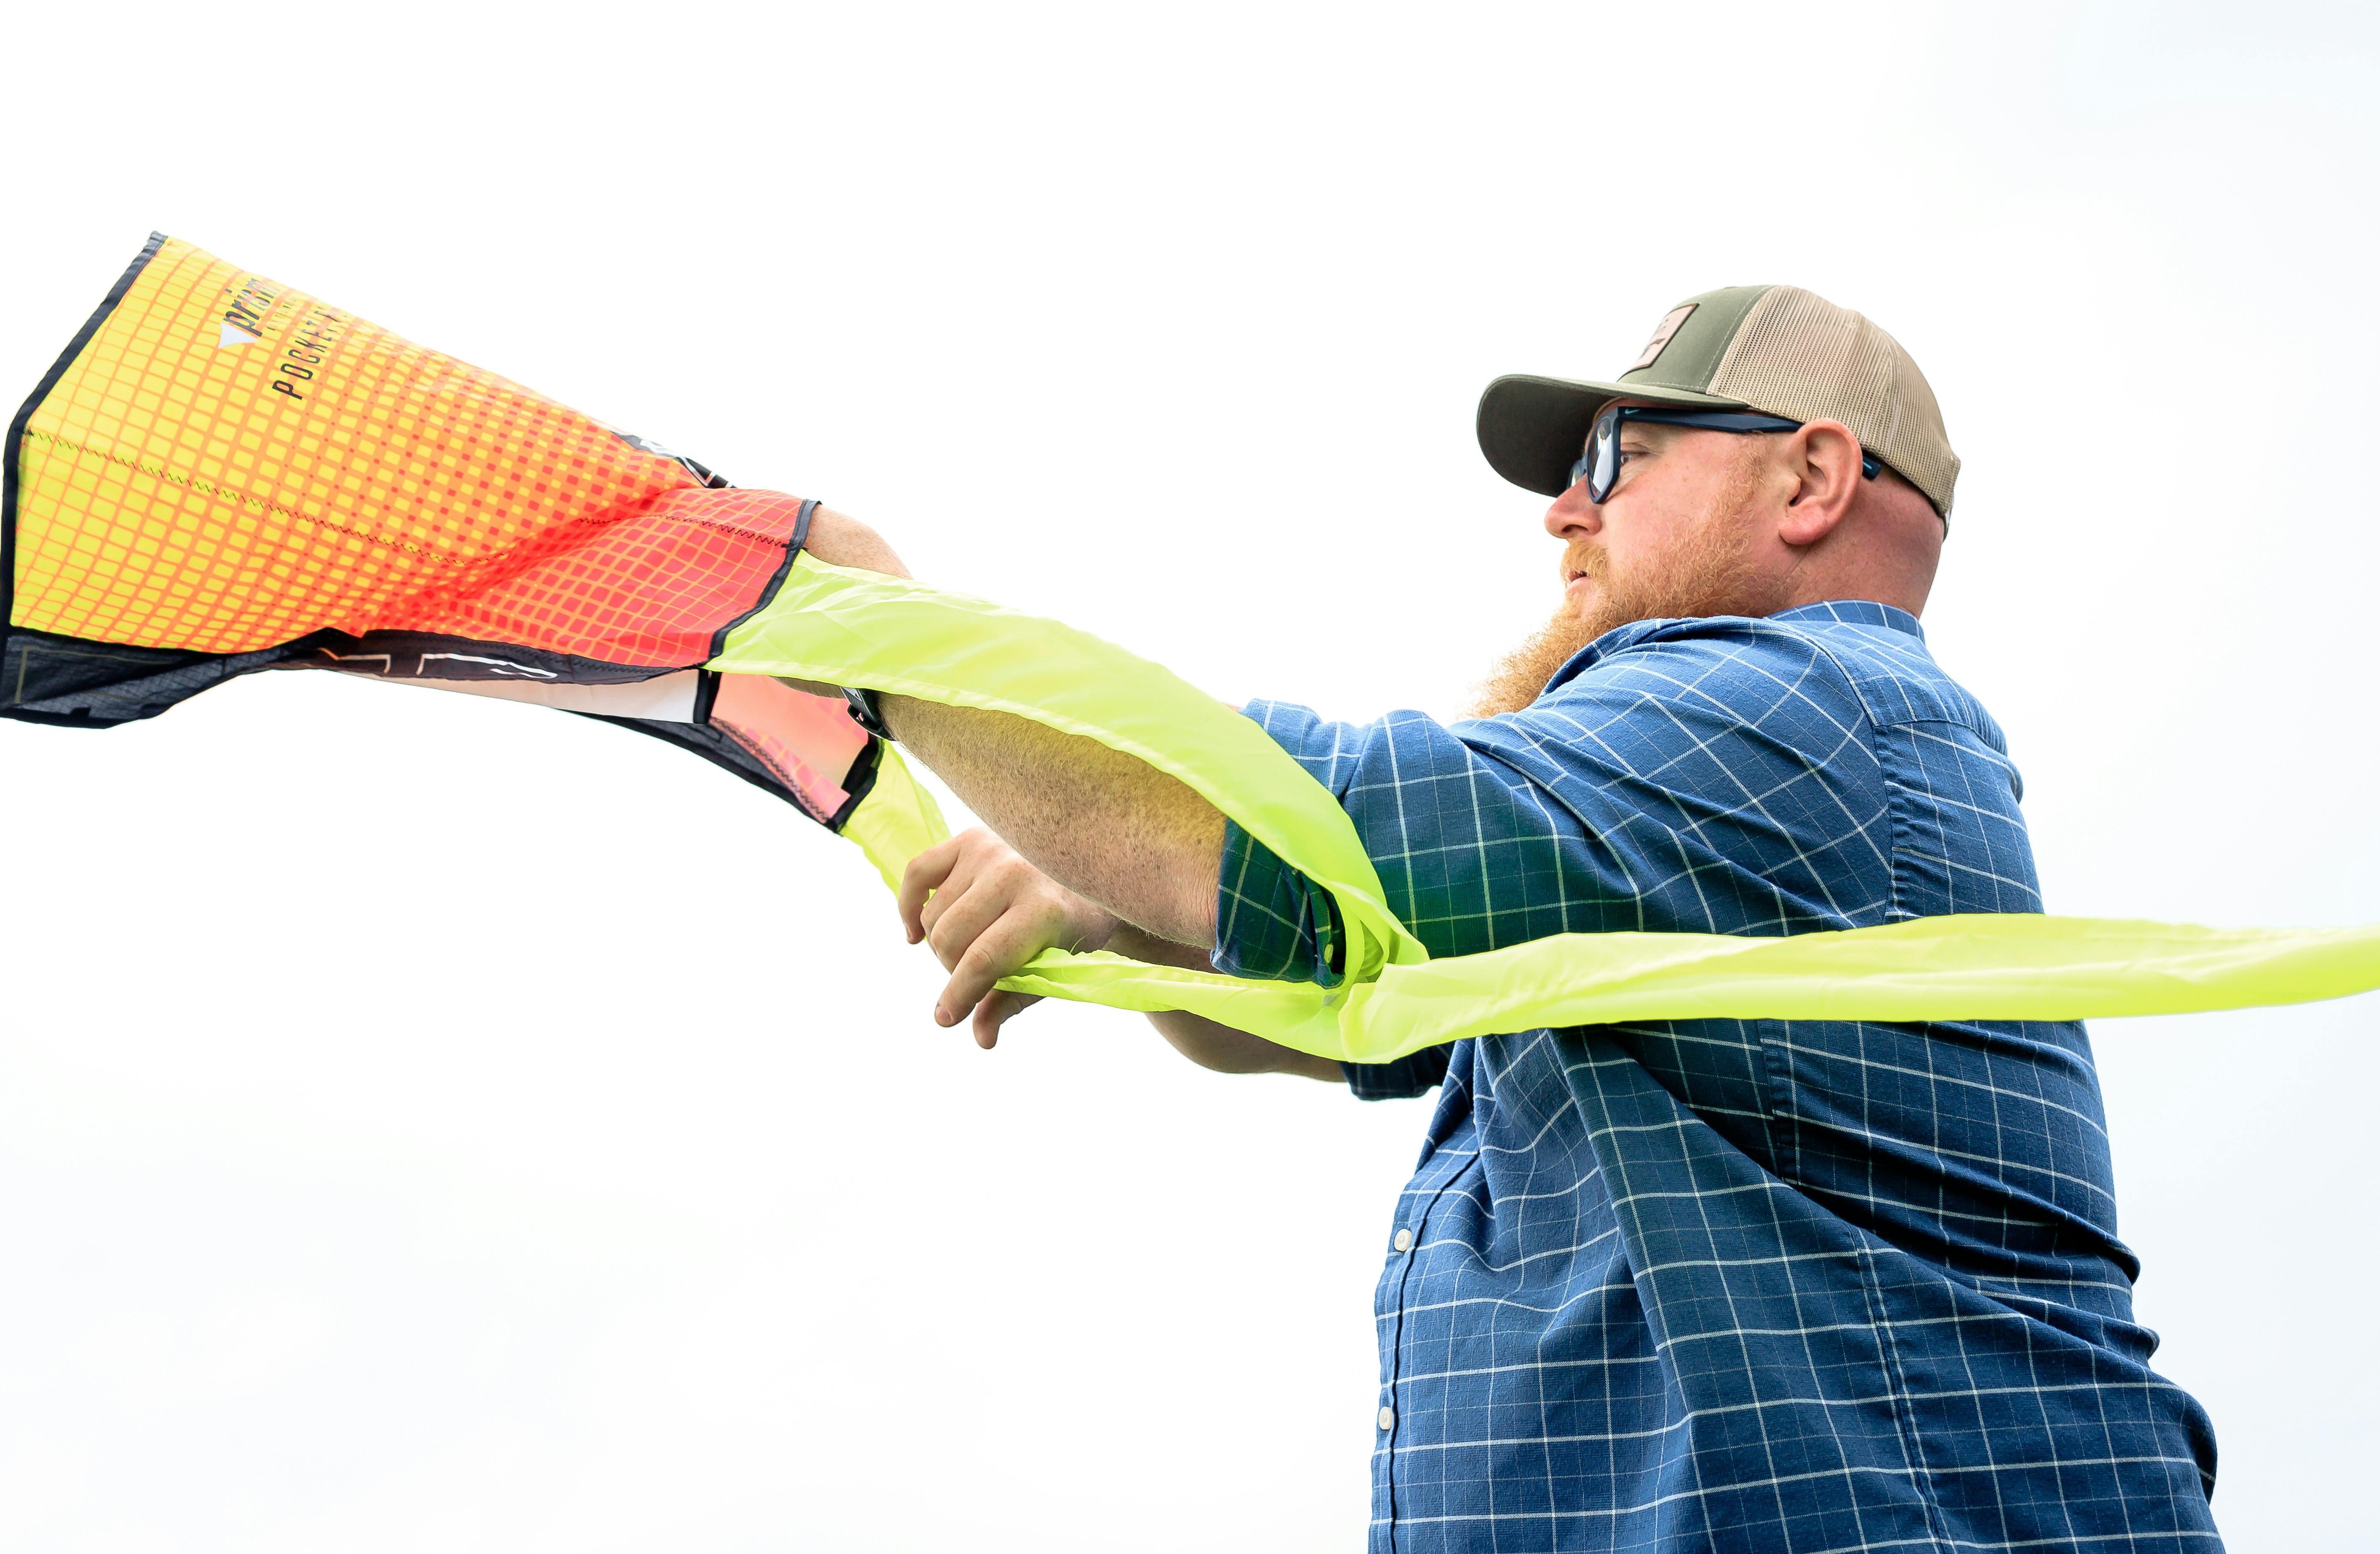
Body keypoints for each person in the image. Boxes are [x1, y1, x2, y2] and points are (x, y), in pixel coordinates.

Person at [796, 285, 2224, 1552]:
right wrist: (1106, 899)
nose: (1563, 513)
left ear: (1811, 478)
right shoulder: (1668, 834)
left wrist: (866, 619)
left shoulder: (1803, 709)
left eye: (1621, 455)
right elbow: (1297, 1001)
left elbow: (1295, 833)